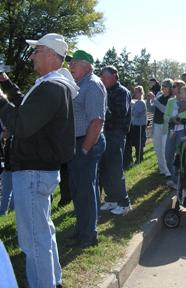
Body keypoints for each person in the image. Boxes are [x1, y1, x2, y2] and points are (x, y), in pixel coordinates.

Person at [0, 33, 76, 287]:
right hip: (39, 170)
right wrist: (7, 85)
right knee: (43, 234)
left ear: (52, 55)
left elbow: (21, 125)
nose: (31, 56)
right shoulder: (53, 84)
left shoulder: (51, 87)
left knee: (33, 241)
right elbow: (27, 108)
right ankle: (53, 282)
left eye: (37, 51)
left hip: (33, 172)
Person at [68, 50, 106, 249]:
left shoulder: (91, 84)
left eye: (74, 62)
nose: (70, 65)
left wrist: (84, 149)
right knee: (78, 189)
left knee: (85, 190)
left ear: (87, 65)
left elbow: (96, 121)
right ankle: (82, 228)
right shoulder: (80, 84)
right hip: (79, 142)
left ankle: (88, 234)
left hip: (87, 142)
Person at [99, 65, 132, 215]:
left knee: (115, 169)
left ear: (114, 76)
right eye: (102, 77)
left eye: (105, 77)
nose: (102, 79)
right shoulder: (106, 90)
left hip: (116, 134)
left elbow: (120, 114)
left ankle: (124, 202)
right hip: (106, 133)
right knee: (105, 168)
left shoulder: (122, 92)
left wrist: (104, 109)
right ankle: (111, 198)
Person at [164, 82, 186, 188]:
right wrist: (171, 119)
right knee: (168, 154)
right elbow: (166, 116)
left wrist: (179, 117)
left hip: (184, 130)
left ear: (180, 88)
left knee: (181, 155)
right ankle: (173, 177)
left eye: (174, 86)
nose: (172, 88)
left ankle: (179, 180)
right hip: (172, 130)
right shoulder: (171, 101)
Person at [148, 79, 173, 178]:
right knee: (157, 148)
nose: (163, 88)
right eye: (162, 86)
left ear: (170, 87)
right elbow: (151, 109)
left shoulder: (171, 99)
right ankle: (162, 170)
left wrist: (154, 100)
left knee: (164, 149)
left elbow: (165, 110)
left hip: (165, 126)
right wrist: (149, 99)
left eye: (165, 86)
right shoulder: (159, 96)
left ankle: (168, 172)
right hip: (156, 125)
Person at [129, 86, 147, 164]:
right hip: (136, 125)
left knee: (139, 143)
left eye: (136, 92)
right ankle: (138, 158)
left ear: (140, 93)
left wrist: (131, 110)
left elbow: (136, 114)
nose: (135, 94)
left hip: (139, 125)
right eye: (134, 92)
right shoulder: (137, 102)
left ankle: (139, 159)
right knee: (137, 142)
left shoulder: (141, 102)